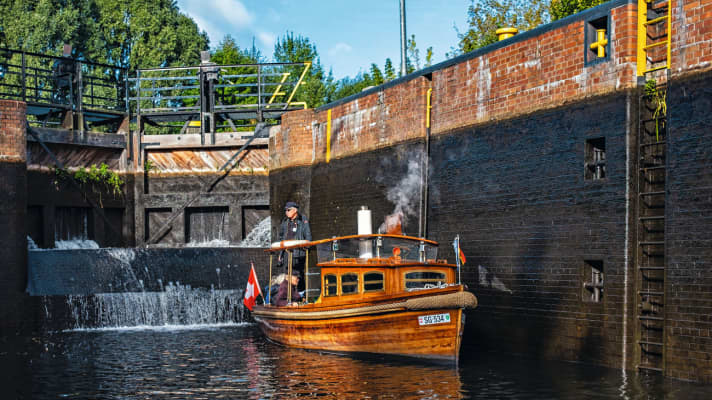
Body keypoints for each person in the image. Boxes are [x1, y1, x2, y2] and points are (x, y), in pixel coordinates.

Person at [278, 201, 312, 291]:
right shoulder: (285, 222)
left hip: (298, 253)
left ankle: (300, 295)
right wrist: (280, 253)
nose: (286, 212)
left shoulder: (302, 220)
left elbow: (308, 235)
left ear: (295, 210)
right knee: (287, 274)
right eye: (285, 210)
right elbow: (281, 237)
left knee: (297, 275)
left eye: (288, 210)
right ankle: (288, 295)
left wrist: (306, 247)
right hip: (286, 253)